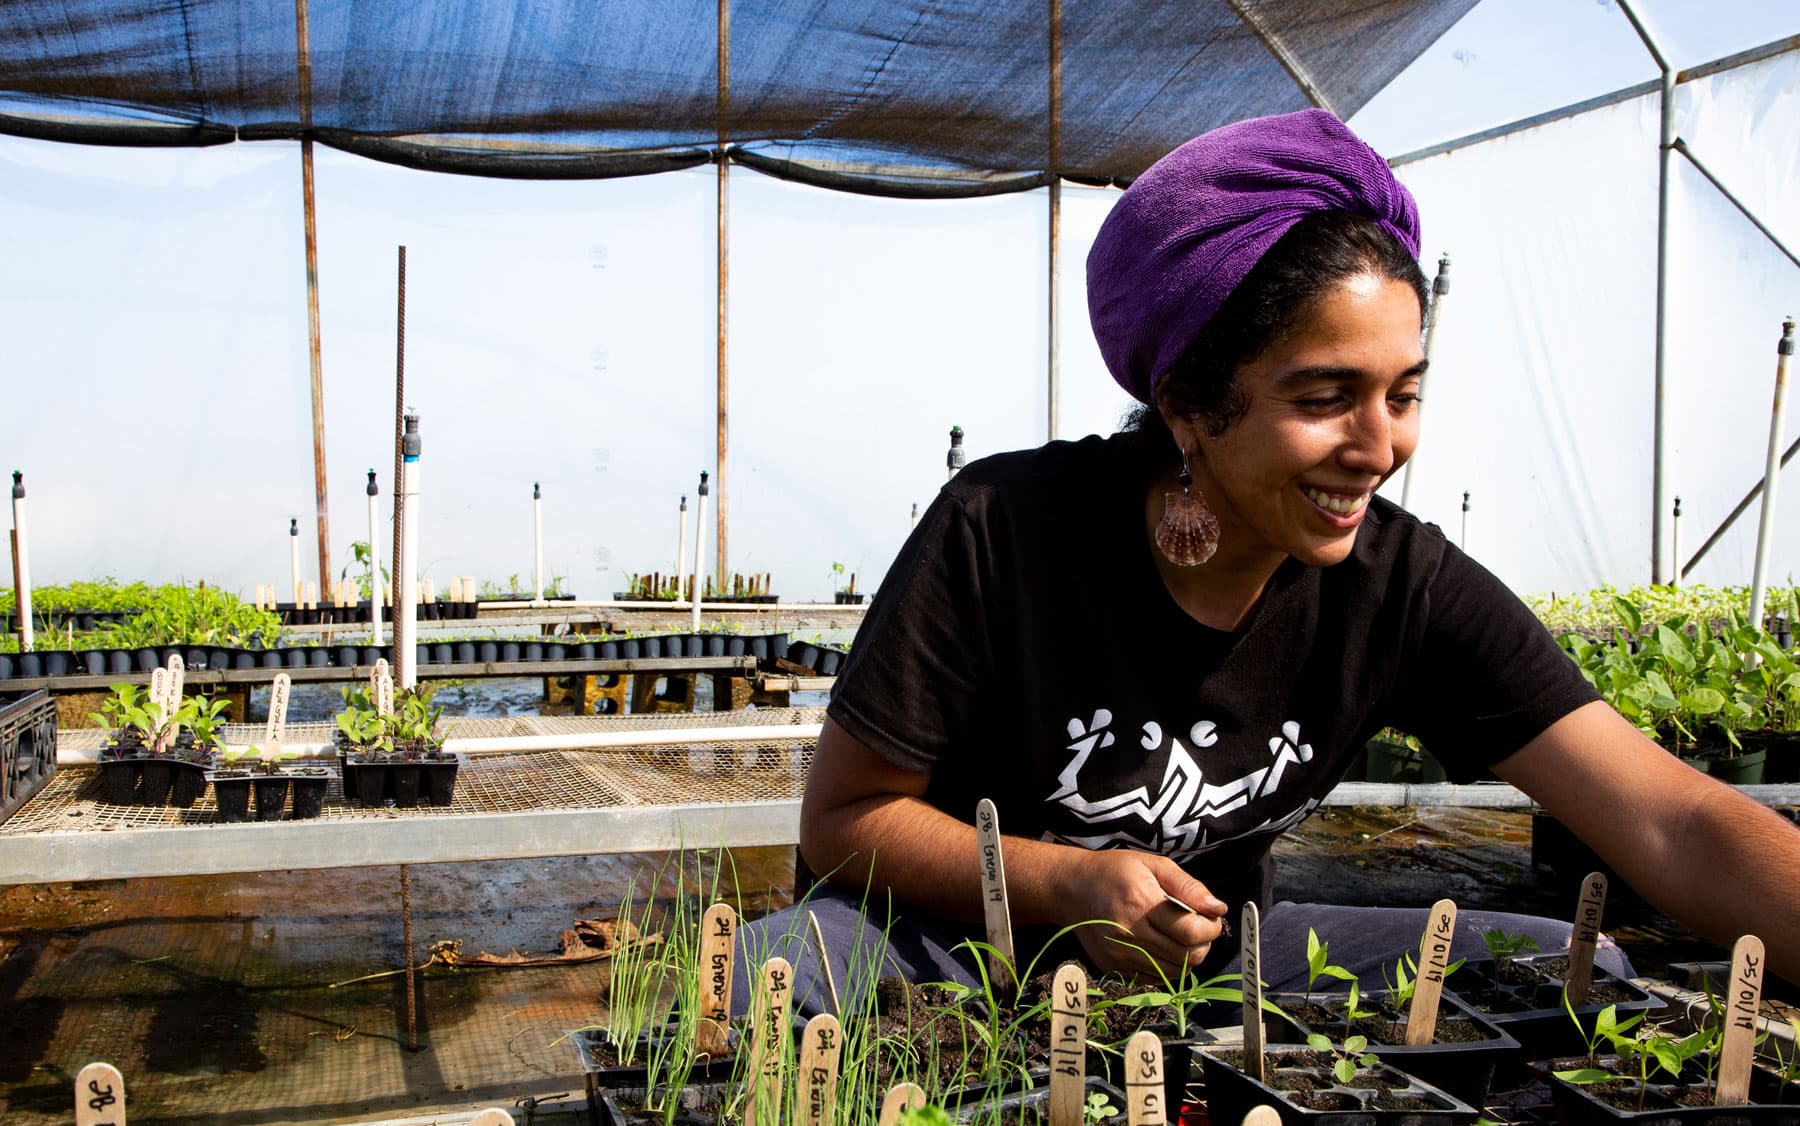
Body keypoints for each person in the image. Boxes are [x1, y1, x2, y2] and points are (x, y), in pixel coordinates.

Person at [735, 108, 1800, 1018]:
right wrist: (1068, 882)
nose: (1380, 444)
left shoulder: (1400, 587)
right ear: (1192, 405)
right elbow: (842, 824)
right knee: (767, 973)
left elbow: (1673, 817)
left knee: (1574, 966)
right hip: (962, 957)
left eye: (1405, 391)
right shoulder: (1006, 528)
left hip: (1222, 969)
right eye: (1325, 397)